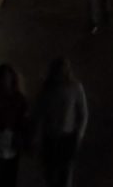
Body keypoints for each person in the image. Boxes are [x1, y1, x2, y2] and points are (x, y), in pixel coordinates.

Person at [32, 59, 88, 187]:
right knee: (50, 175)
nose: (61, 73)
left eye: (63, 70)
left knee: (65, 174)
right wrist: (36, 136)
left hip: (67, 138)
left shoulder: (75, 88)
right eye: (58, 70)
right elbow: (39, 113)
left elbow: (83, 113)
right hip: (50, 137)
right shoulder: (47, 89)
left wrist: (79, 135)